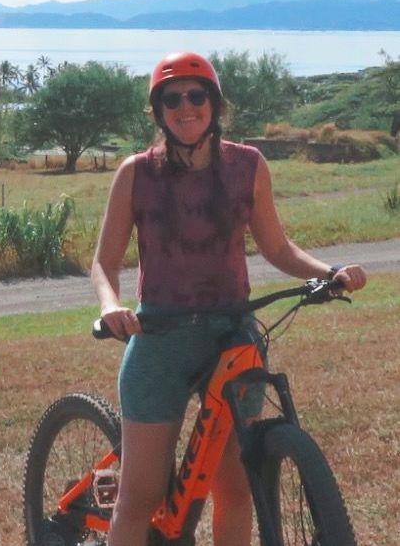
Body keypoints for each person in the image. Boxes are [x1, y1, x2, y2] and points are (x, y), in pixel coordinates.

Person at [91, 51, 367, 546]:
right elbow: (104, 263)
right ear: (159, 112)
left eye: (197, 96)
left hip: (233, 335)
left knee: (238, 489)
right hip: (160, 336)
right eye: (172, 99)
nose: (186, 106)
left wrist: (330, 273)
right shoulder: (137, 173)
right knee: (141, 497)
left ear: (215, 105)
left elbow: (277, 247)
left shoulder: (248, 166)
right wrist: (111, 305)